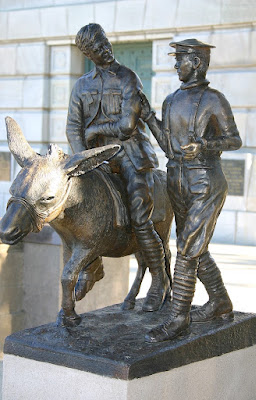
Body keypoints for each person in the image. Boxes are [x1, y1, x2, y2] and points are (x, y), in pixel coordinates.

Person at [140, 38, 242, 342]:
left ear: (196, 62)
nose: (175, 65)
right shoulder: (171, 100)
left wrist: (206, 146)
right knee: (196, 247)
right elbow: (168, 147)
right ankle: (220, 301)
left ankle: (178, 317)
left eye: (180, 59)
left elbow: (234, 140)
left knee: (187, 249)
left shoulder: (214, 100)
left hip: (205, 182)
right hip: (177, 180)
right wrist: (148, 118)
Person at [66, 23, 170, 312]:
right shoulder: (81, 86)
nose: (104, 50)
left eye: (104, 43)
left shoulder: (128, 78)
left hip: (131, 154)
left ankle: (160, 278)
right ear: (87, 54)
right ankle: (91, 265)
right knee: (74, 207)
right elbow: (73, 127)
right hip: (96, 157)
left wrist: (95, 128)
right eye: (96, 49)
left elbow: (126, 126)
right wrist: (83, 157)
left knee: (140, 216)